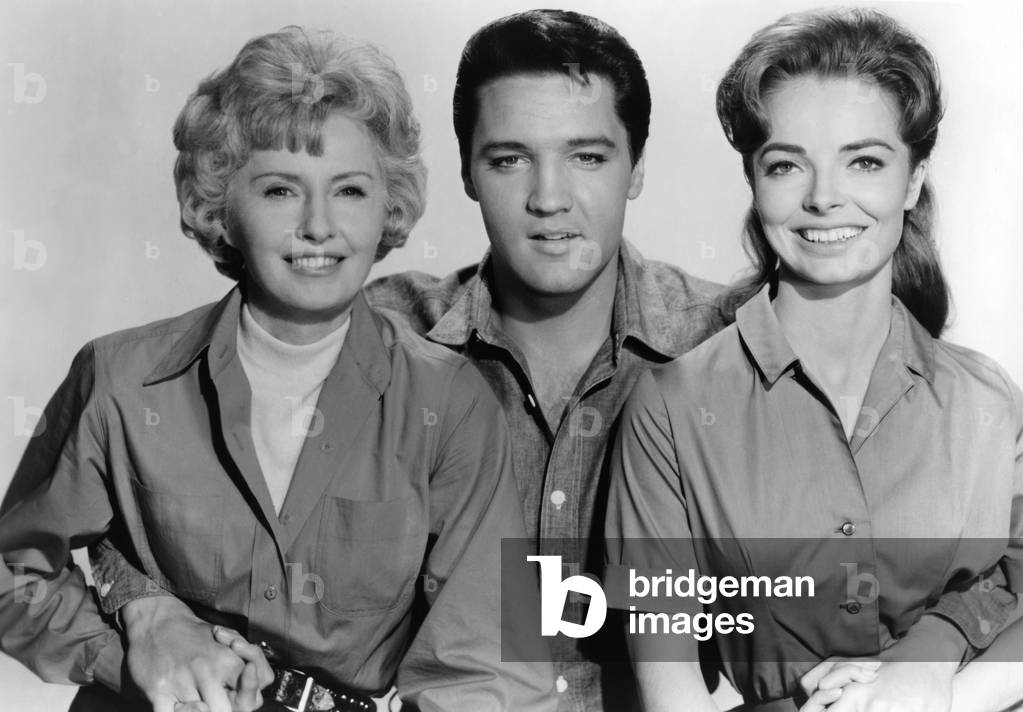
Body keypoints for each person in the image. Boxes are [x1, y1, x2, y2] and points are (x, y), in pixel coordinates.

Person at [86, 10, 728, 712]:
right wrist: (147, 608)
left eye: (587, 156)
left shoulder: (726, 346)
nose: (549, 198)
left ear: (636, 167)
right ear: (465, 173)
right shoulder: (370, 335)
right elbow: (151, 497)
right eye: (509, 158)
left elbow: (833, 575)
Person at [0, 26, 555, 712]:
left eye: (349, 190)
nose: (318, 226)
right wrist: (130, 650)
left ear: (390, 204)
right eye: (280, 191)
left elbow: (488, 668)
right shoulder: (118, 378)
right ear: (220, 208)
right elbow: (12, 573)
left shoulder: (451, 403)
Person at [604, 7, 1023, 712]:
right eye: (786, 164)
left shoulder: (987, 403)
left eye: (863, 161)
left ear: (913, 180)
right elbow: (667, 683)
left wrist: (931, 662)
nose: (823, 197)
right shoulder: (670, 408)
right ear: (753, 180)